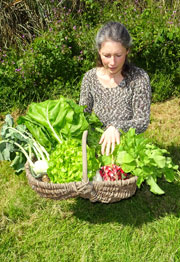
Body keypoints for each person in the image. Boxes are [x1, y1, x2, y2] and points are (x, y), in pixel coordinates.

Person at [79, 21, 151, 156]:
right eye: (107, 56)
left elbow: (142, 121)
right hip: (98, 145)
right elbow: (82, 116)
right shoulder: (90, 78)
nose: (112, 63)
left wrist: (116, 127)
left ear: (127, 51)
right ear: (99, 51)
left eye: (118, 55)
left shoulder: (139, 78)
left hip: (129, 148)